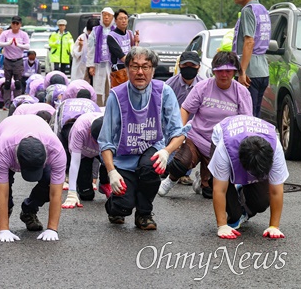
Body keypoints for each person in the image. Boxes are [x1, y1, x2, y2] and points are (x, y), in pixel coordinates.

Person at [97, 47, 186, 230]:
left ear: (153, 69)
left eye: (145, 67)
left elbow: (179, 132)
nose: (140, 72)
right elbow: (105, 140)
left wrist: (166, 151)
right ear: (127, 69)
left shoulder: (164, 92)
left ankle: (144, 214)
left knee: (151, 166)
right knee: (123, 207)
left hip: (152, 150)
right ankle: (114, 206)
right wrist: (111, 171)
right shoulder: (116, 96)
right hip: (123, 160)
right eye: (134, 66)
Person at [159, 52, 252, 199]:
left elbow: (246, 123)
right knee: (180, 163)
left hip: (221, 146)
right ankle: (170, 180)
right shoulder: (202, 87)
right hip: (196, 137)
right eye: (219, 71)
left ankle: (202, 181)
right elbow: (185, 109)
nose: (224, 75)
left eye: (228, 71)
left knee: (211, 193)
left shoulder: (242, 93)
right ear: (214, 71)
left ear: (235, 71)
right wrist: (179, 135)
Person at [209, 115, 288, 239]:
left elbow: (276, 191)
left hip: (255, 137)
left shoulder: (275, 148)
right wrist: (222, 226)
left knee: (261, 201)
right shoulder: (224, 148)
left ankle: (242, 194)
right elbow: (219, 190)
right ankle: (215, 179)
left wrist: (274, 226)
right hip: (226, 136)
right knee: (234, 215)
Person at [0, 114, 66, 242]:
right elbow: (2, 192)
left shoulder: (56, 150)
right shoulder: (4, 149)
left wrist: (52, 229)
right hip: (7, 134)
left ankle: (29, 211)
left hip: (38, 133)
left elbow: (56, 193)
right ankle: (4, 210)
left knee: (49, 182)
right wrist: (4, 230)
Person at [232, 0, 271, 117]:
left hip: (249, 73)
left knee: (247, 116)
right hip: (262, 71)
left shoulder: (248, 10)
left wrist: (242, 72)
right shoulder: (262, 9)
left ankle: (251, 140)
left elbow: (249, 42)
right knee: (256, 114)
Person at [163, 51, 204, 185]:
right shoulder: (170, 85)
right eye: (185, 65)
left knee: (188, 149)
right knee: (165, 163)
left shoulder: (202, 85)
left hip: (194, 127)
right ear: (180, 66)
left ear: (198, 67)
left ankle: (185, 173)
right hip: (172, 124)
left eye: (192, 65)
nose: (189, 68)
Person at [62, 112, 109, 208]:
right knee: (86, 195)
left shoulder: (114, 126)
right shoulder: (80, 130)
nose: (97, 145)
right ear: (89, 132)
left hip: (105, 151)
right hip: (84, 154)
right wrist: (72, 192)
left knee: (113, 161)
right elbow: (74, 163)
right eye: (95, 142)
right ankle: (84, 189)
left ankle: (105, 182)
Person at [0, 16, 30, 108]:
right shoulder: (6, 33)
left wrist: (18, 45)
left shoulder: (23, 34)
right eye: (13, 23)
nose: (15, 25)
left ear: (20, 25)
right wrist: (8, 43)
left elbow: (27, 46)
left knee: (18, 82)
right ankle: (7, 103)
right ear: (11, 24)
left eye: (17, 24)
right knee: (7, 82)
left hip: (18, 61)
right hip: (8, 60)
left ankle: (17, 103)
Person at [86, 7, 115, 106]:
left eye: (109, 15)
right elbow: (90, 48)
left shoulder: (115, 31)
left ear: (112, 18)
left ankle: (109, 106)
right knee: (98, 86)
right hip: (98, 64)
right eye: (104, 15)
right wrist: (91, 65)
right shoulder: (96, 30)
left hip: (112, 64)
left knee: (110, 86)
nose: (106, 17)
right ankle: (98, 106)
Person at [108, 9, 139, 87]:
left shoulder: (130, 33)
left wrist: (136, 42)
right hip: (119, 70)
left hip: (130, 67)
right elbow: (121, 56)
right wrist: (135, 64)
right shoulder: (111, 36)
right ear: (115, 21)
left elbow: (134, 51)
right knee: (121, 94)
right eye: (121, 19)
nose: (124, 21)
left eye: (125, 18)